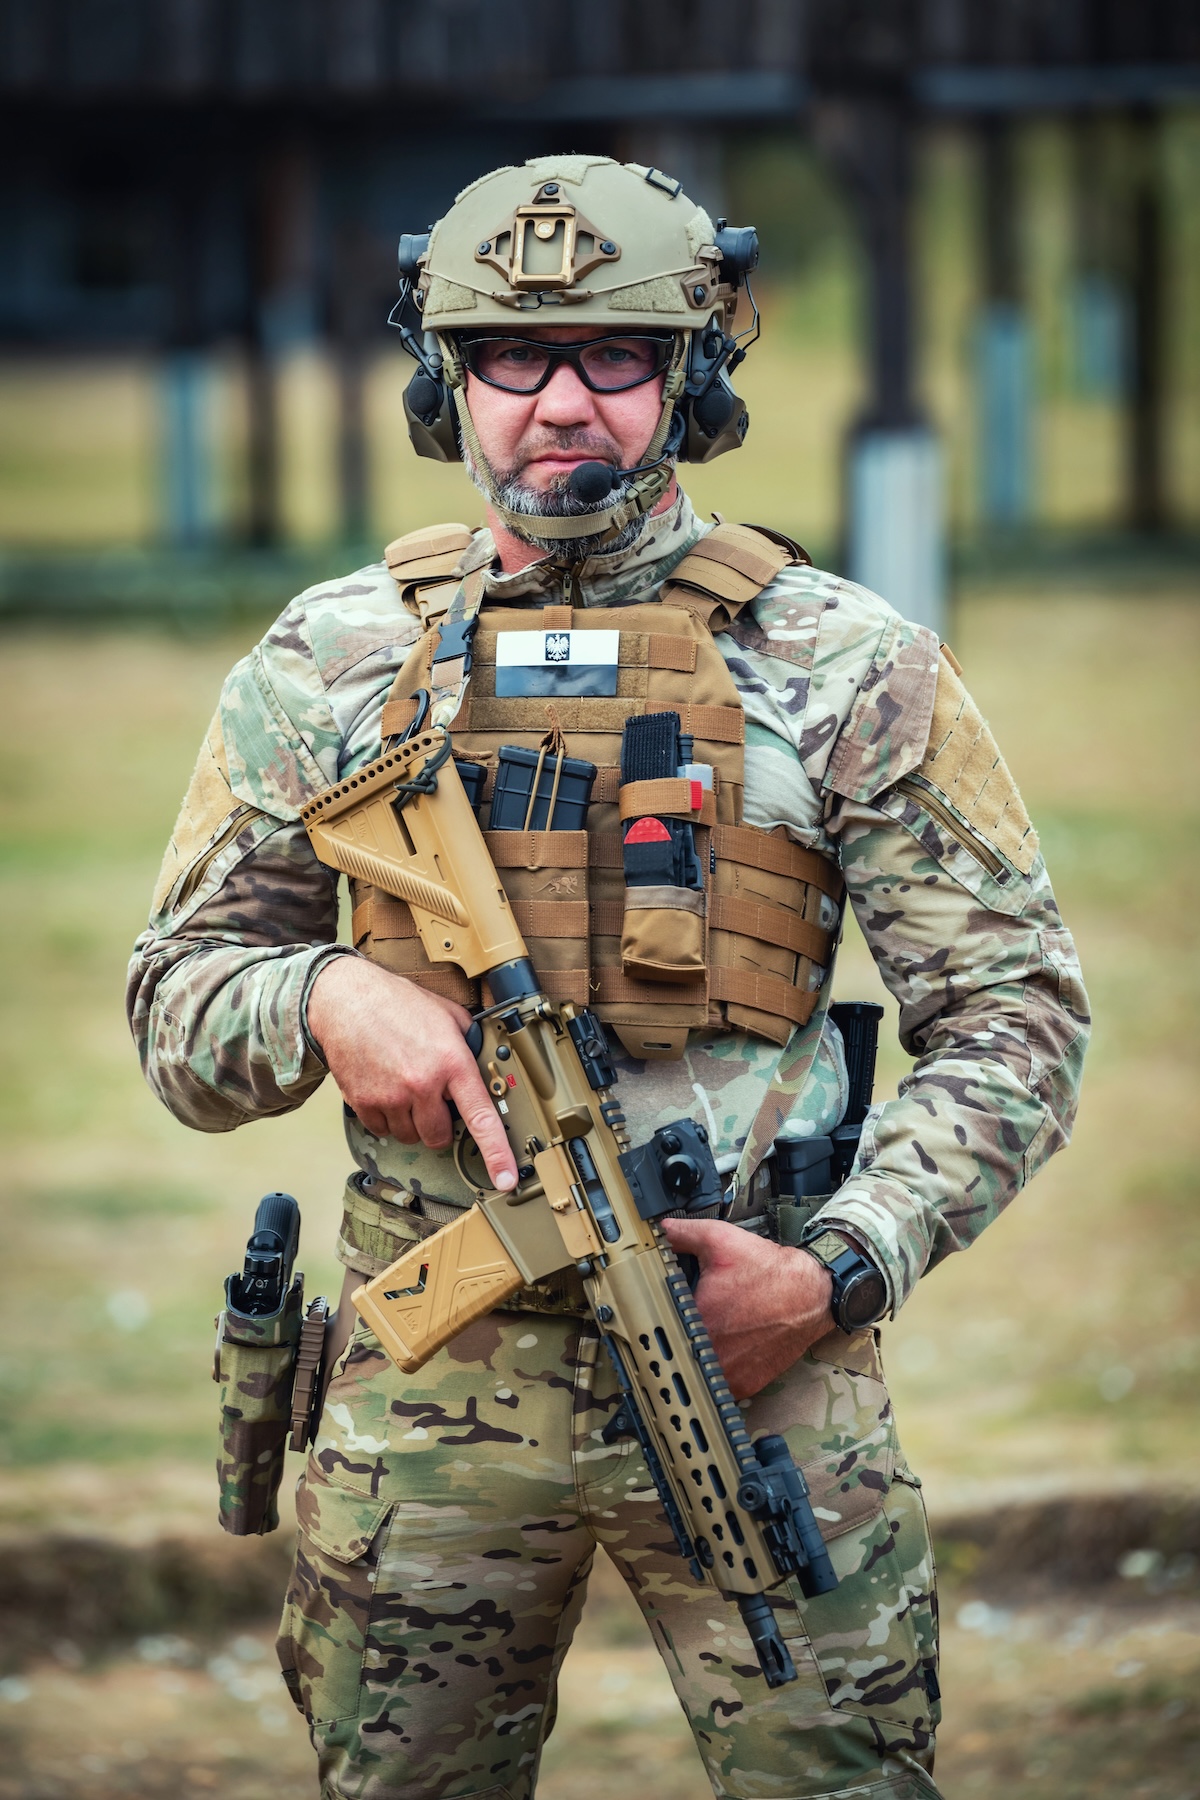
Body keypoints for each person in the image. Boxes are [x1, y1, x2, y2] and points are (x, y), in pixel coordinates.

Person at [128, 155, 1088, 1800]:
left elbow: (1018, 1020)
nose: (561, 403)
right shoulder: (329, 662)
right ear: (448, 379)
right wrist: (323, 1000)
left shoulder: (847, 662)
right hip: (433, 1397)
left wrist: (840, 1268)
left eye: (615, 356)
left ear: (689, 377)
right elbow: (178, 1002)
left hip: (759, 1370)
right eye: (514, 355)